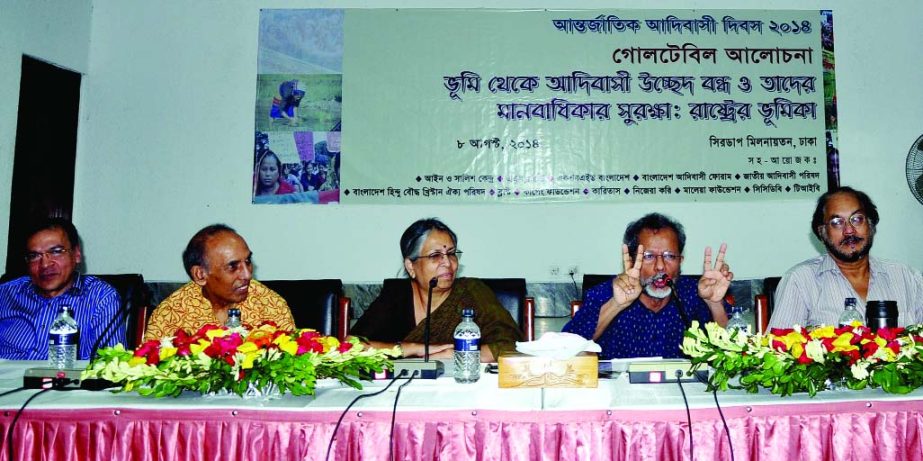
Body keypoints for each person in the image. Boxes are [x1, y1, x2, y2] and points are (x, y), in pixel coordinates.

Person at [563, 213, 732, 359]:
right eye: (649, 256)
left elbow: (732, 350)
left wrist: (715, 304)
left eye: (669, 256)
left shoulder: (696, 294)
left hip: (685, 392)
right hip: (619, 391)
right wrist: (616, 304)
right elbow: (565, 349)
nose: (660, 266)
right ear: (630, 259)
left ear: (680, 261)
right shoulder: (606, 294)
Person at [350, 218, 522, 362]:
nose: (448, 263)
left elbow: (512, 345)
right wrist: (413, 349)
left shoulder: (472, 291)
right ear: (411, 266)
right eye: (435, 255)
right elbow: (351, 346)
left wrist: (459, 355)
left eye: (452, 253)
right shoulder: (396, 295)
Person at [769, 186, 923, 328]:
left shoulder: (907, 278)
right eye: (837, 222)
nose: (849, 230)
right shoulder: (800, 280)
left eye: (857, 219)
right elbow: (778, 351)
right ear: (822, 233)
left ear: (871, 225)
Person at [144, 224, 295, 341]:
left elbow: (292, 369)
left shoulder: (271, 305)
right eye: (233, 266)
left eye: (248, 261)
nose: (247, 274)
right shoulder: (171, 314)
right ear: (200, 275)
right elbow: (151, 375)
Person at [0, 218, 123, 359]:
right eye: (34, 256)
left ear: (76, 254)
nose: (45, 264)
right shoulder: (5, 294)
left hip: (64, 380)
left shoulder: (101, 298)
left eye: (56, 251)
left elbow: (107, 366)